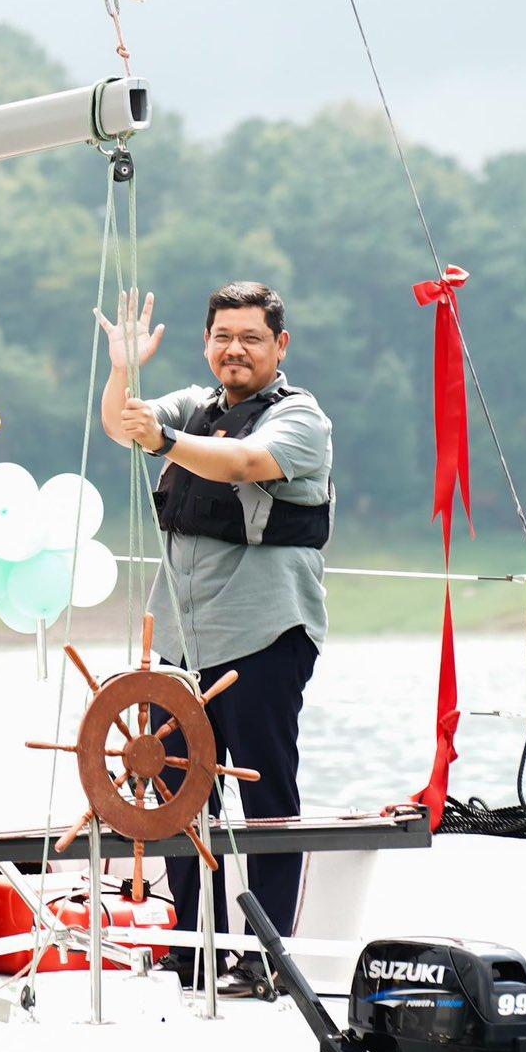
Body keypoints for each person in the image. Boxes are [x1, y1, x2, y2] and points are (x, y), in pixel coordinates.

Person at [97, 283, 332, 996]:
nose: (236, 348)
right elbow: (120, 425)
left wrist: (164, 441)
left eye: (252, 337)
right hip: (182, 641)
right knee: (176, 794)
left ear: (279, 346)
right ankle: (193, 952)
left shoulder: (302, 421)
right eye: (224, 335)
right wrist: (122, 371)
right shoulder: (194, 404)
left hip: (262, 637)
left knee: (266, 803)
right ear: (207, 343)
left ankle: (267, 960)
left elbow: (243, 463)